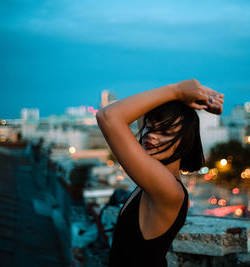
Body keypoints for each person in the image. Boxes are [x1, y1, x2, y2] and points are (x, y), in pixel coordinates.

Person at [96, 79, 224, 267]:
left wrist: (178, 91)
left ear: (185, 140)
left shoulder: (168, 188)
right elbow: (143, 112)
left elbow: (108, 116)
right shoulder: (156, 172)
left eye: (166, 131)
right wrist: (198, 96)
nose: (152, 134)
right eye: (150, 126)